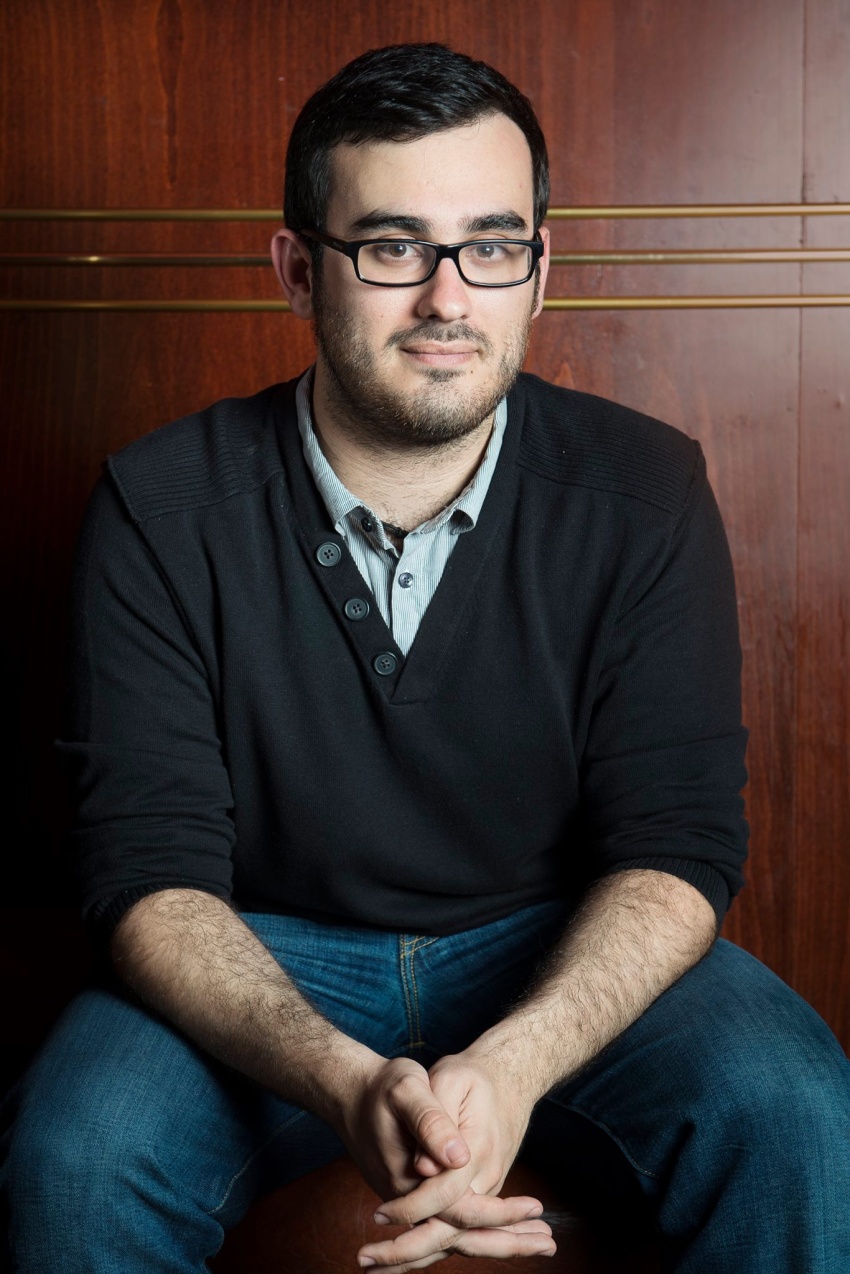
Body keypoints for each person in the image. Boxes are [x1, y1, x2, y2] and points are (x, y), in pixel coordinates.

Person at [3, 42, 849, 1274]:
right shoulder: (158, 502)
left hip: (552, 946)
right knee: (74, 1156)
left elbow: (676, 846)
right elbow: (148, 872)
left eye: (490, 246)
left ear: (539, 271)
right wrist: (345, 1080)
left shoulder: (646, 490)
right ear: (299, 270)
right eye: (393, 247)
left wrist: (513, 1063)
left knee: (795, 1108)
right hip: (265, 953)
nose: (448, 298)